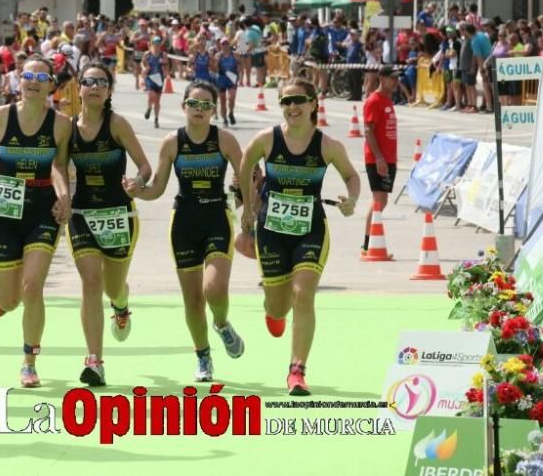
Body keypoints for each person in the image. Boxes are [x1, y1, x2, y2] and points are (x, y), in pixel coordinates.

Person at [0, 56, 72, 387]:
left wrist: (64, 197)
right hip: (5, 212)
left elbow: (60, 167)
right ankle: (3, 301)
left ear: (51, 84)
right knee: (11, 300)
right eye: (27, 75)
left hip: (42, 210)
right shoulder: (0, 116)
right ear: (17, 81)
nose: (33, 81)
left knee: (32, 286)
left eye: (41, 76)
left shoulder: (61, 124)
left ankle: (29, 361)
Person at [238, 78, 359, 395]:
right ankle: (272, 310)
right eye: (286, 101)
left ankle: (297, 371)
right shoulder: (267, 140)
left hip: (311, 230)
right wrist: (248, 207)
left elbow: (351, 176)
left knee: (303, 293)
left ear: (313, 104)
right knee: (279, 307)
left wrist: (351, 199)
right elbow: (244, 164)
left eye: (299, 100)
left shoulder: (327, 145)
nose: (293, 107)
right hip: (271, 231)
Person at [134, 80, 245, 382]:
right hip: (183, 222)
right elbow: (157, 187)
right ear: (183, 107)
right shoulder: (172, 143)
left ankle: (221, 324)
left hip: (216, 218)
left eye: (206, 105)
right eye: (193, 104)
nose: (199, 110)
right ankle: (203, 356)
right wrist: (137, 191)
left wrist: (248, 204)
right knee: (193, 300)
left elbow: (247, 175)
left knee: (215, 288)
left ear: (214, 110)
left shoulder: (225, 140)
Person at [65, 63, 153, 386]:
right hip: (82, 216)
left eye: (102, 82)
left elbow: (145, 165)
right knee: (91, 282)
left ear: (109, 91)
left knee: (112, 287)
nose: (95, 87)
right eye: (89, 81)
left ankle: (121, 304)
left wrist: (137, 182)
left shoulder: (117, 125)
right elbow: (59, 169)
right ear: (79, 88)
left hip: (119, 215)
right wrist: (62, 194)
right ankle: (95, 360)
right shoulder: (67, 128)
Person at [361, 66, 399, 256]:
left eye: (397, 78)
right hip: (378, 159)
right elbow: (368, 131)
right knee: (378, 202)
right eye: (392, 78)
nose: (396, 82)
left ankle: (370, 244)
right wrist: (379, 158)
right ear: (382, 79)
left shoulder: (387, 100)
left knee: (382, 201)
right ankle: (368, 245)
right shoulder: (374, 101)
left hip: (389, 158)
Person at [141, 36, 168, 129]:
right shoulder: (147, 54)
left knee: (157, 100)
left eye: (158, 44)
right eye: (155, 44)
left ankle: (156, 119)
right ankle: (149, 108)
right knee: (151, 95)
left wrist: (165, 70)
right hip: (150, 77)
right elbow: (143, 63)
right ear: (152, 44)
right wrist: (145, 69)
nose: (157, 45)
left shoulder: (163, 55)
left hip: (159, 79)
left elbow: (166, 66)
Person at [214, 38, 239, 126]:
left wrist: (239, 75)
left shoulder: (234, 55)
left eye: (226, 44)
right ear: (220, 45)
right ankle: (224, 119)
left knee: (231, 97)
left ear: (229, 45)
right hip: (222, 79)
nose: (225, 46)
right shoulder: (218, 56)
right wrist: (217, 62)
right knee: (222, 100)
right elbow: (215, 68)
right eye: (223, 44)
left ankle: (231, 112)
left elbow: (239, 65)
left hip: (232, 78)